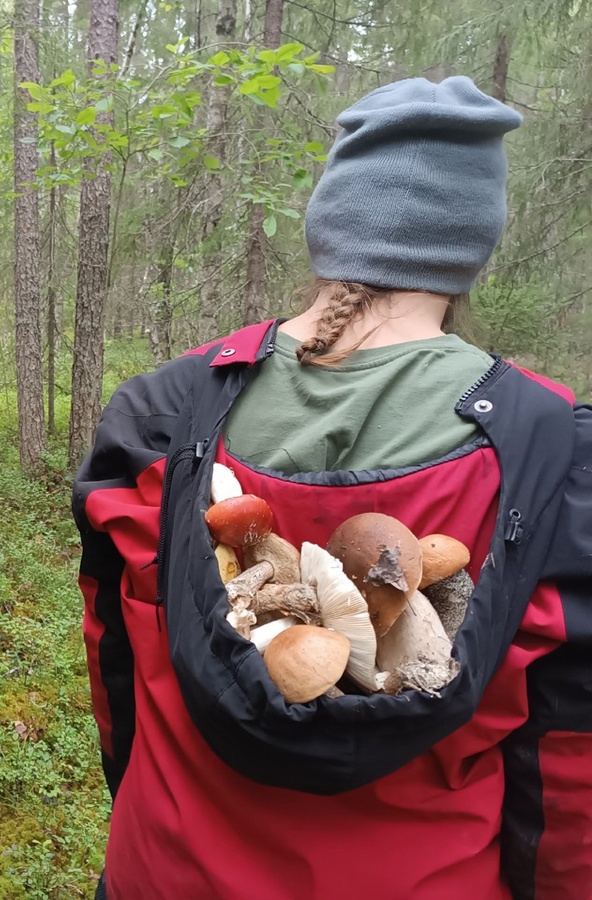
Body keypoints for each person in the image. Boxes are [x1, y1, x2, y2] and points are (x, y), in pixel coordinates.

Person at [74, 76, 592, 899]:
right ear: (471, 245)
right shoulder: (554, 449)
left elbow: (119, 670)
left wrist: (137, 803)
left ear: (331, 224)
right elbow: (568, 754)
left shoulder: (163, 413)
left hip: (168, 868)